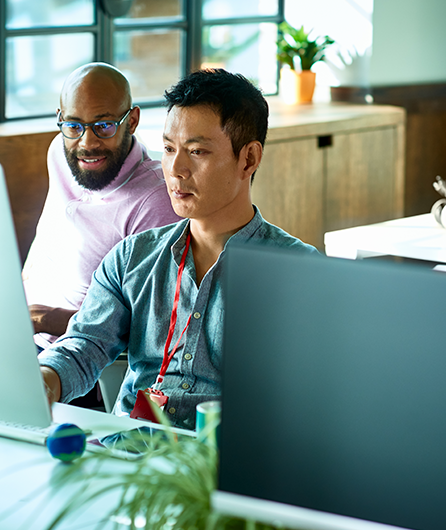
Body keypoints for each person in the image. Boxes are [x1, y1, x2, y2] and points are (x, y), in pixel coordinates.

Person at [38, 68, 319, 429]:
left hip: (223, 467)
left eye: (197, 151)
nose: (176, 169)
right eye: (169, 149)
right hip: (130, 453)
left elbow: (304, 401)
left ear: (248, 159)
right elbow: (85, 345)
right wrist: (45, 378)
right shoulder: (131, 258)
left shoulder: (298, 271)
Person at [22, 63, 180, 350]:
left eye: (103, 125)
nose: (87, 142)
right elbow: (46, 240)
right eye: (73, 125)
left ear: (132, 121)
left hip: (78, 358)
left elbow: (147, 326)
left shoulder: (155, 200)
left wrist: (43, 319)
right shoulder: (59, 151)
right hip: (20, 333)